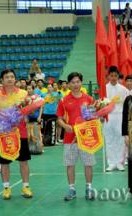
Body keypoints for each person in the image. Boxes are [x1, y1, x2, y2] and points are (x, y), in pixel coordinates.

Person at [0, 69, 33, 200]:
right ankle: (6, 188)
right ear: (2, 80)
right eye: (7, 77)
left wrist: (26, 116)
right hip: (5, 134)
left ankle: (26, 186)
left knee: (23, 161)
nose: (10, 79)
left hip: (21, 133)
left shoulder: (24, 94)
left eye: (12, 77)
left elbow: (27, 111)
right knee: (5, 163)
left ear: (15, 79)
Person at [56, 72, 96, 201]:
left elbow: (93, 117)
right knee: (70, 164)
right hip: (69, 138)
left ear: (81, 83)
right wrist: (65, 126)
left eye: (78, 82)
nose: (75, 84)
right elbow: (59, 118)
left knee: (88, 164)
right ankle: (72, 189)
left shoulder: (89, 99)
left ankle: (89, 188)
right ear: (68, 84)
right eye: (73, 82)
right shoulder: (63, 100)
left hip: (86, 138)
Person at [105, 67, 129, 172]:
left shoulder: (124, 90)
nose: (114, 78)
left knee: (120, 140)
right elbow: (100, 105)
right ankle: (111, 163)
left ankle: (119, 162)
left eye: (115, 75)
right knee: (109, 140)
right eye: (111, 75)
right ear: (108, 76)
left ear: (118, 76)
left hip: (120, 116)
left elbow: (128, 105)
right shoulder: (104, 88)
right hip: (108, 117)